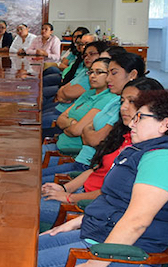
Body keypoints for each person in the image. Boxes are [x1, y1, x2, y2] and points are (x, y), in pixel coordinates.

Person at [37, 89, 168, 267]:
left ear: (165, 124)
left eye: (140, 117)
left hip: (129, 258)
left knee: (23, 266)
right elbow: (116, 201)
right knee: (25, 251)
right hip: (102, 238)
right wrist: (77, 221)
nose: (132, 123)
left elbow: (137, 220)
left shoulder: (165, 160)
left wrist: (94, 265)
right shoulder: (147, 150)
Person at [39, 76, 160, 225]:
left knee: (25, 206)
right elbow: (96, 170)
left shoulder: (147, 149)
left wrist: (69, 198)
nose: (123, 107)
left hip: (89, 206)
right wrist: (64, 188)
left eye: (132, 101)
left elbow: (111, 192)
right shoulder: (124, 135)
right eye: (122, 101)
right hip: (81, 193)